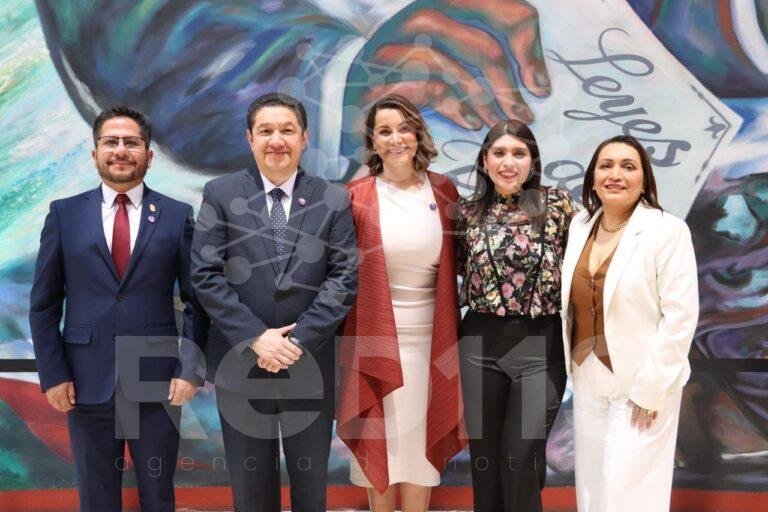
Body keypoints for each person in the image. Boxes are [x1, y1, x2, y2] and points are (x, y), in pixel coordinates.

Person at [28, 105, 205, 512]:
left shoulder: (176, 216)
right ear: (95, 153)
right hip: (84, 382)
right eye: (111, 142)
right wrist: (53, 375)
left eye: (131, 142)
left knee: (158, 496)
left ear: (149, 155)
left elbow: (198, 302)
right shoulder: (64, 214)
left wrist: (189, 370)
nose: (121, 150)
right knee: (96, 498)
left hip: (157, 382)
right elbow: (43, 305)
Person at [190, 92, 358, 512]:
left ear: (304, 138)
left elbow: (343, 279)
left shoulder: (333, 198)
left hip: (310, 363)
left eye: (287, 130)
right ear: (250, 138)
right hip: (241, 363)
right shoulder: (220, 193)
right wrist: (256, 338)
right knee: (250, 490)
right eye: (265, 131)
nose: (276, 140)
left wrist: (296, 342)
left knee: (310, 487)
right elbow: (205, 275)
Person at [337, 94, 466, 512]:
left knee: (419, 454)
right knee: (381, 446)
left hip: (431, 345)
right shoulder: (355, 196)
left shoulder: (444, 190)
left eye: (404, 128)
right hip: (374, 344)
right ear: (373, 142)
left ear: (418, 134)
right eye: (385, 131)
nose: (396, 139)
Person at [560, 135, 698, 512]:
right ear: (592, 178)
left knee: (630, 493)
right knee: (592, 489)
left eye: (628, 166)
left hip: (642, 382)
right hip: (588, 377)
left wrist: (652, 389)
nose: (616, 174)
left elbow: (681, 316)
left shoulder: (667, 231)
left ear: (644, 179)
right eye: (606, 165)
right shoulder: (580, 225)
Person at [455, 120, 575, 512]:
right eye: (500, 153)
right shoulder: (466, 213)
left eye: (519, 153)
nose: (509, 163)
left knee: (519, 460)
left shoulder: (559, 206)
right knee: (486, 464)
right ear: (485, 161)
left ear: (533, 161)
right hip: (479, 347)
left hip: (541, 347)